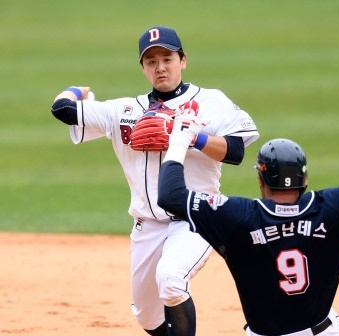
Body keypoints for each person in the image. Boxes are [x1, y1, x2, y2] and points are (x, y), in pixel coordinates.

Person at [157, 66, 339, 336]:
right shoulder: (334, 208)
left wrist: (181, 139)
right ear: (304, 179)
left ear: (260, 179)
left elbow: (170, 196)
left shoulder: (237, 217)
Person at [50, 26, 259, 336]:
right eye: (151, 61)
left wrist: (191, 137)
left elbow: (237, 151)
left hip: (195, 218)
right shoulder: (124, 110)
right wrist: (76, 91)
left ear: (183, 60)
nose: (160, 67)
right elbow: (62, 109)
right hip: (146, 225)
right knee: (147, 317)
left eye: (167, 58)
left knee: (172, 280)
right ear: (143, 67)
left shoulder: (211, 102)